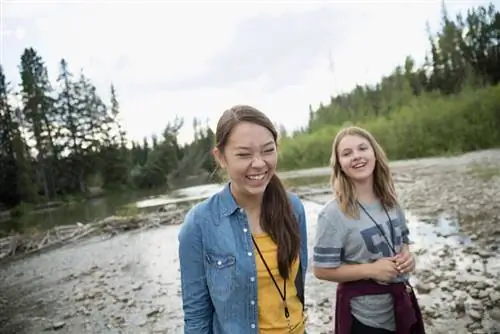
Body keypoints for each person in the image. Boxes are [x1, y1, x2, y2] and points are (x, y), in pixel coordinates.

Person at [178, 105, 309, 334]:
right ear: (221, 157)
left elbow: (298, 282)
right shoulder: (200, 224)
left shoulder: (293, 208)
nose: (259, 163)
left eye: (268, 150)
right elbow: (196, 315)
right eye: (244, 154)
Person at [312, 126, 425, 334]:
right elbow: (321, 270)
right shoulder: (332, 214)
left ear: (375, 153)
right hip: (365, 320)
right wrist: (371, 270)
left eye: (362, 148)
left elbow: (403, 242)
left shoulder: (391, 201)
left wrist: (408, 257)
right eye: (347, 153)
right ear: (340, 166)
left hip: (401, 306)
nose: (356, 156)